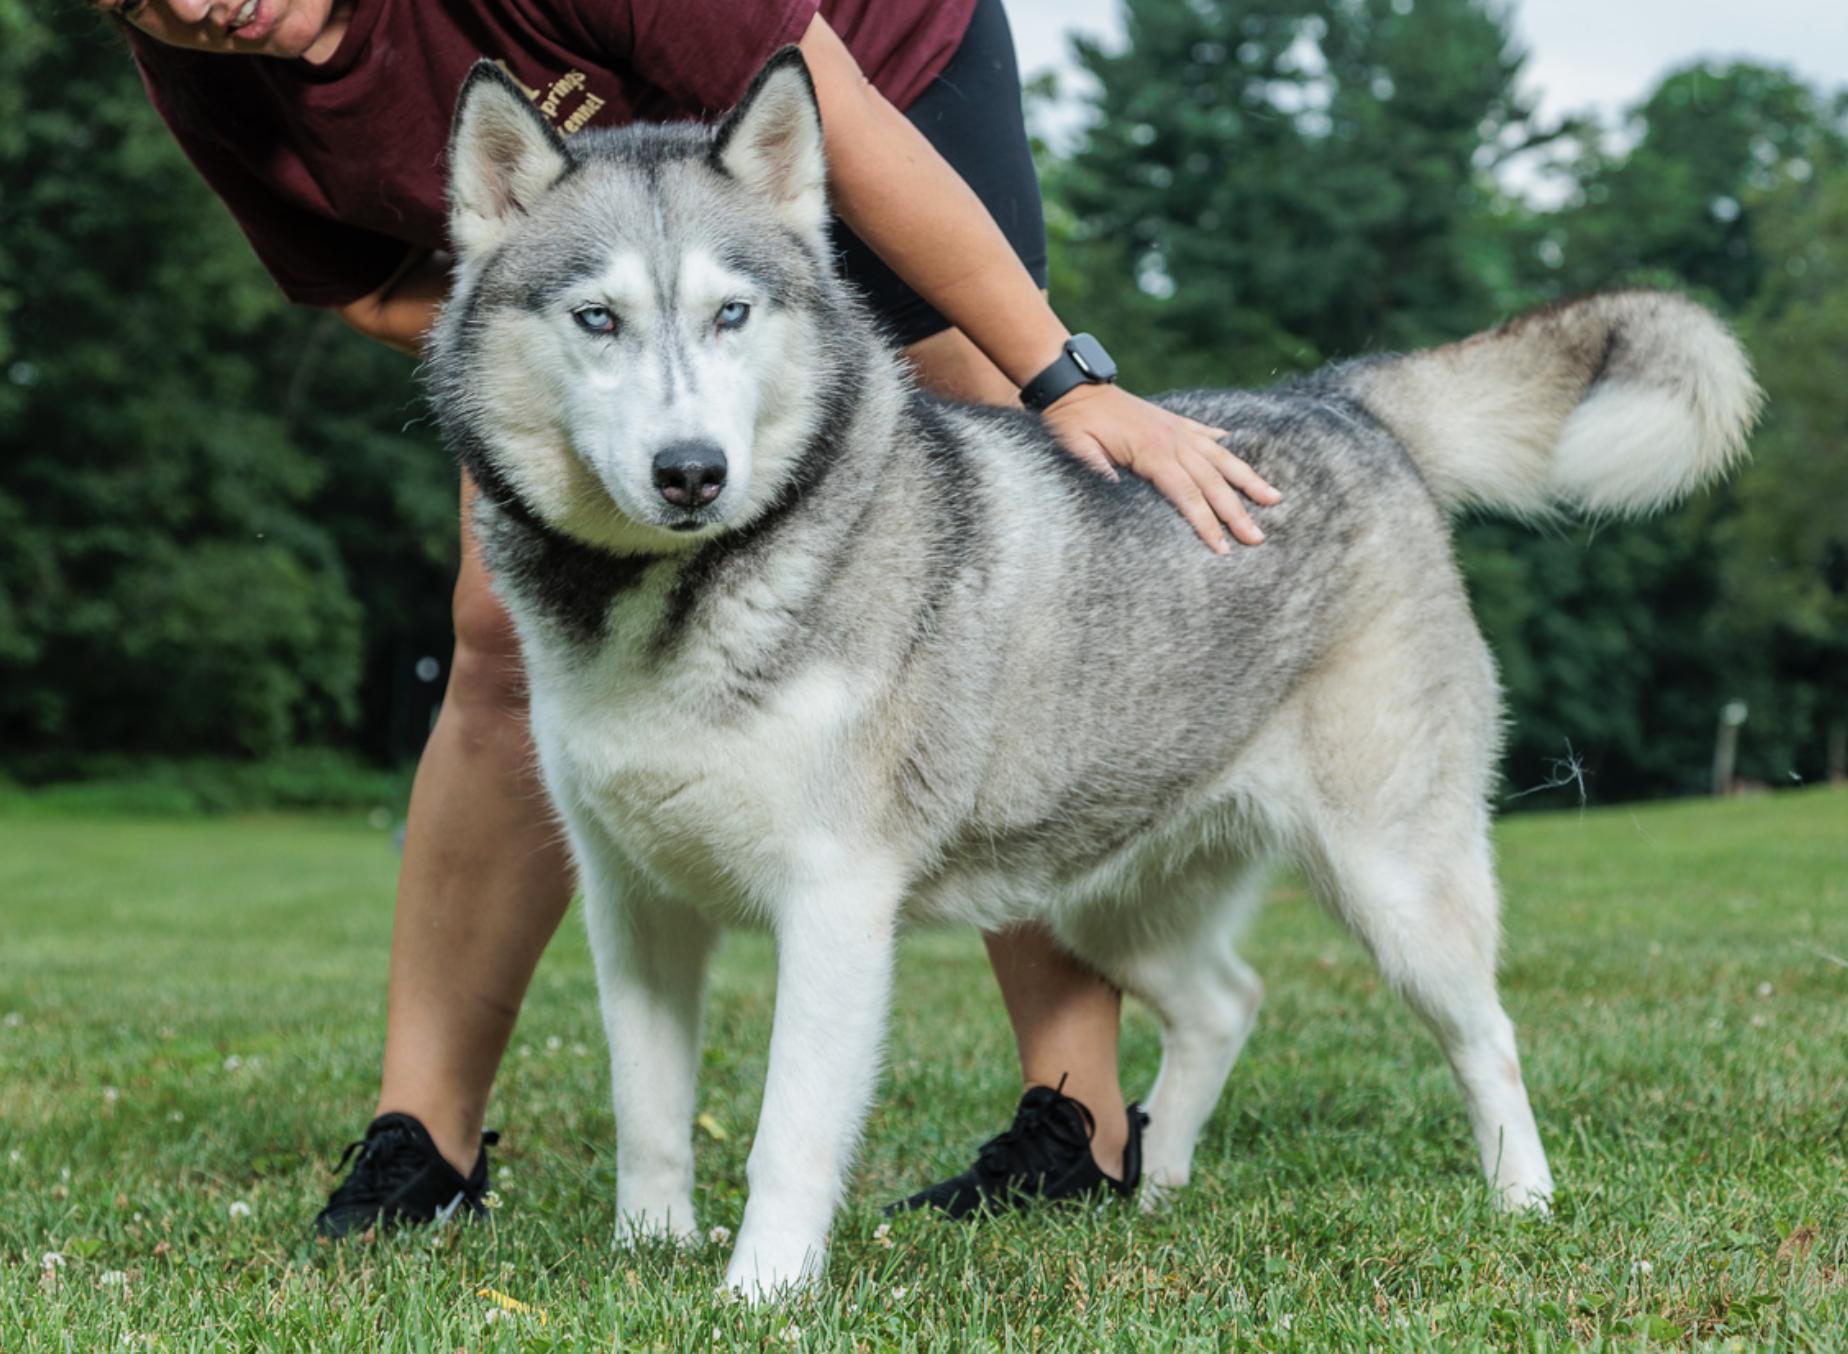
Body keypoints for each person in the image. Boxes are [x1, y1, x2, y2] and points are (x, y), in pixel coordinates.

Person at [104, 0, 1281, 1233]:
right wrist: (598, 328)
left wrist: (1062, 379)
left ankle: (1075, 1120)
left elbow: (844, 121)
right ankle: (425, 1141)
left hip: (866, 92)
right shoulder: (200, 66)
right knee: (498, 631)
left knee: (984, 561)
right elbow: (379, 290)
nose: (195, 4)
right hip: (600, 278)